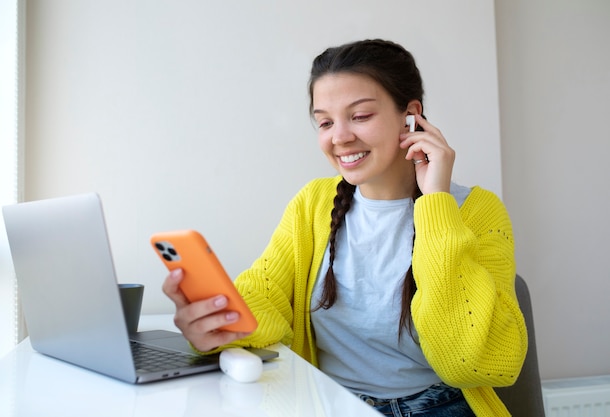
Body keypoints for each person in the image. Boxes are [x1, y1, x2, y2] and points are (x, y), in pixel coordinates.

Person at [163, 39, 528, 417]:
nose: (339, 137)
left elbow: (473, 361)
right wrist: (218, 321)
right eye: (325, 122)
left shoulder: (476, 211)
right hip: (330, 403)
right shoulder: (313, 204)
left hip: (441, 407)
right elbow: (265, 294)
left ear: (411, 116)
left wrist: (436, 202)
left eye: (360, 116)